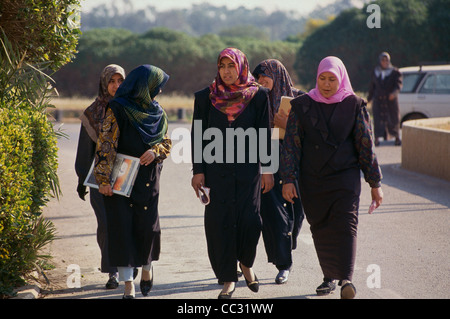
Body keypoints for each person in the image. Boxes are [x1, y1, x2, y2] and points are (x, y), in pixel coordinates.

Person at [280, 56, 383, 299]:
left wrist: (375, 183)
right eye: (322, 79)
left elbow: (365, 145)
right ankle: (329, 276)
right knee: (321, 227)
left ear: (341, 79)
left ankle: (346, 278)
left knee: (347, 225)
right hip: (312, 179)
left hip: (345, 178)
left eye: (332, 79)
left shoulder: (355, 105)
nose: (327, 84)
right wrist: (288, 179)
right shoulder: (302, 105)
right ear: (317, 79)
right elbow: (291, 146)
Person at [191, 48, 274, 299]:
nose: (226, 71)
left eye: (231, 66)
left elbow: (264, 135)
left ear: (241, 67)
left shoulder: (259, 96)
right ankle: (228, 280)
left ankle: (246, 263)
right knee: (220, 224)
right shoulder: (205, 97)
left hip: (249, 172)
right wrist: (198, 171)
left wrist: (268, 170)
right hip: (216, 171)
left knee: (251, 221)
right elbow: (198, 135)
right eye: (222, 66)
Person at [93, 64, 172, 299]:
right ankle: (128, 285)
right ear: (144, 87)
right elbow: (105, 146)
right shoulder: (117, 108)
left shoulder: (158, 112)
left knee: (147, 228)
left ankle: (147, 268)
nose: (159, 91)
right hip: (121, 180)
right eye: (156, 87)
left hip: (147, 179)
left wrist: (156, 150)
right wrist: (102, 180)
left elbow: (167, 143)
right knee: (122, 230)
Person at [252, 59, 305, 284]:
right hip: (269, 162)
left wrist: (287, 123)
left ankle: (288, 242)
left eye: (266, 77)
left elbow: (312, 133)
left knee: (297, 214)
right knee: (275, 216)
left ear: (278, 74)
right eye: (258, 79)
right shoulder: (257, 99)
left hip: (296, 165)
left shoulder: (301, 99)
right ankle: (284, 264)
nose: (262, 82)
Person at [75, 64, 125, 289]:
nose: (116, 86)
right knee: (106, 225)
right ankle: (112, 273)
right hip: (99, 177)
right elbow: (84, 150)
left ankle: (128, 270)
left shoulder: (131, 108)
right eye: (112, 81)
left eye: (120, 81)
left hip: (125, 175)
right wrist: (80, 179)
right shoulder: (92, 112)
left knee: (125, 224)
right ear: (104, 83)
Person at [368, 52, 403, 146]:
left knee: (393, 119)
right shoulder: (375, 71)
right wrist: (369, 99)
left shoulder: (395, 72)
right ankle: (376, 139)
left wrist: (394, 94)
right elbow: (372, 87)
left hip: (390, 101)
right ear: (379, 61)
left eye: (386, 60)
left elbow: (398, 85)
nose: (385, 62)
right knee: (378, 120)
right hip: (378, 101)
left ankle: (396, 138)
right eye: (383, 60)